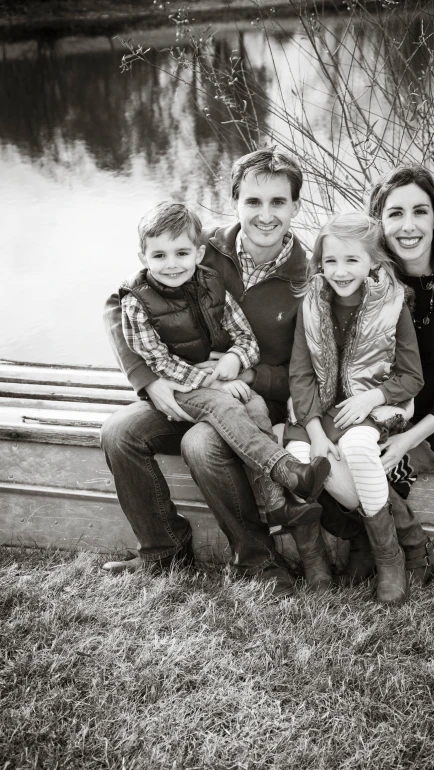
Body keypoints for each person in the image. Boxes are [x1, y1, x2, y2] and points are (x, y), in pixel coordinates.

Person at [100, 148, 331, 597]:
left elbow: (311, 374)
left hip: (251, 403)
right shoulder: (200, 246)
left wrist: (247, 378)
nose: (265, 216)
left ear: (296, 206)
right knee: (119, 432)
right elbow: (119, 304)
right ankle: (164, 551)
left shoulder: (310, 279)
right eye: (253, 202)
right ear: (235, 200)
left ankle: (258, 561)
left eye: (278, 202)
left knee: (201, 444)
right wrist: (148, 379)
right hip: (182, 388)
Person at [320, 165, 434, 588]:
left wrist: (406, 441)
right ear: (380, 222)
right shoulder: (367, 279)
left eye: (420, 211)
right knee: (320, 460)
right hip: (367, 412)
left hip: (427, 423)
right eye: (395, 213)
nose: (408, 225)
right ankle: (379, 543)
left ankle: (400, 549)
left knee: (378, 468)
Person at [119, 200, 330, 534]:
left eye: (181, 254)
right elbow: (157, 359)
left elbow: (245, 337)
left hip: (230, 380)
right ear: (143, 258)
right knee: (220, 405)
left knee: (254, 401)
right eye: (159, 256)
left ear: (198, 254)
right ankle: (286, 469)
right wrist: (209, 383)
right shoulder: (137, 298)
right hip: (179, 385)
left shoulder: (215, 282)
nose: (172, 264)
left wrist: (235, 360)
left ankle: (275, 502)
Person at [283, 212, 424, 605]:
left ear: (373, 263)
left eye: (351, 260)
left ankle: (389, 557)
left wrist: (371, 398)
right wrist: (313, 433)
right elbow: (300, 375)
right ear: (319, 263)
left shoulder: (392, 305)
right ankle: (314, 562)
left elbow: (412, 377)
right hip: (316, 412)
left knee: (359, 449)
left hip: (371, 408)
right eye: (330, 261)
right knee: (294, 462)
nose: (340, 271)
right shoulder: (310, 305)